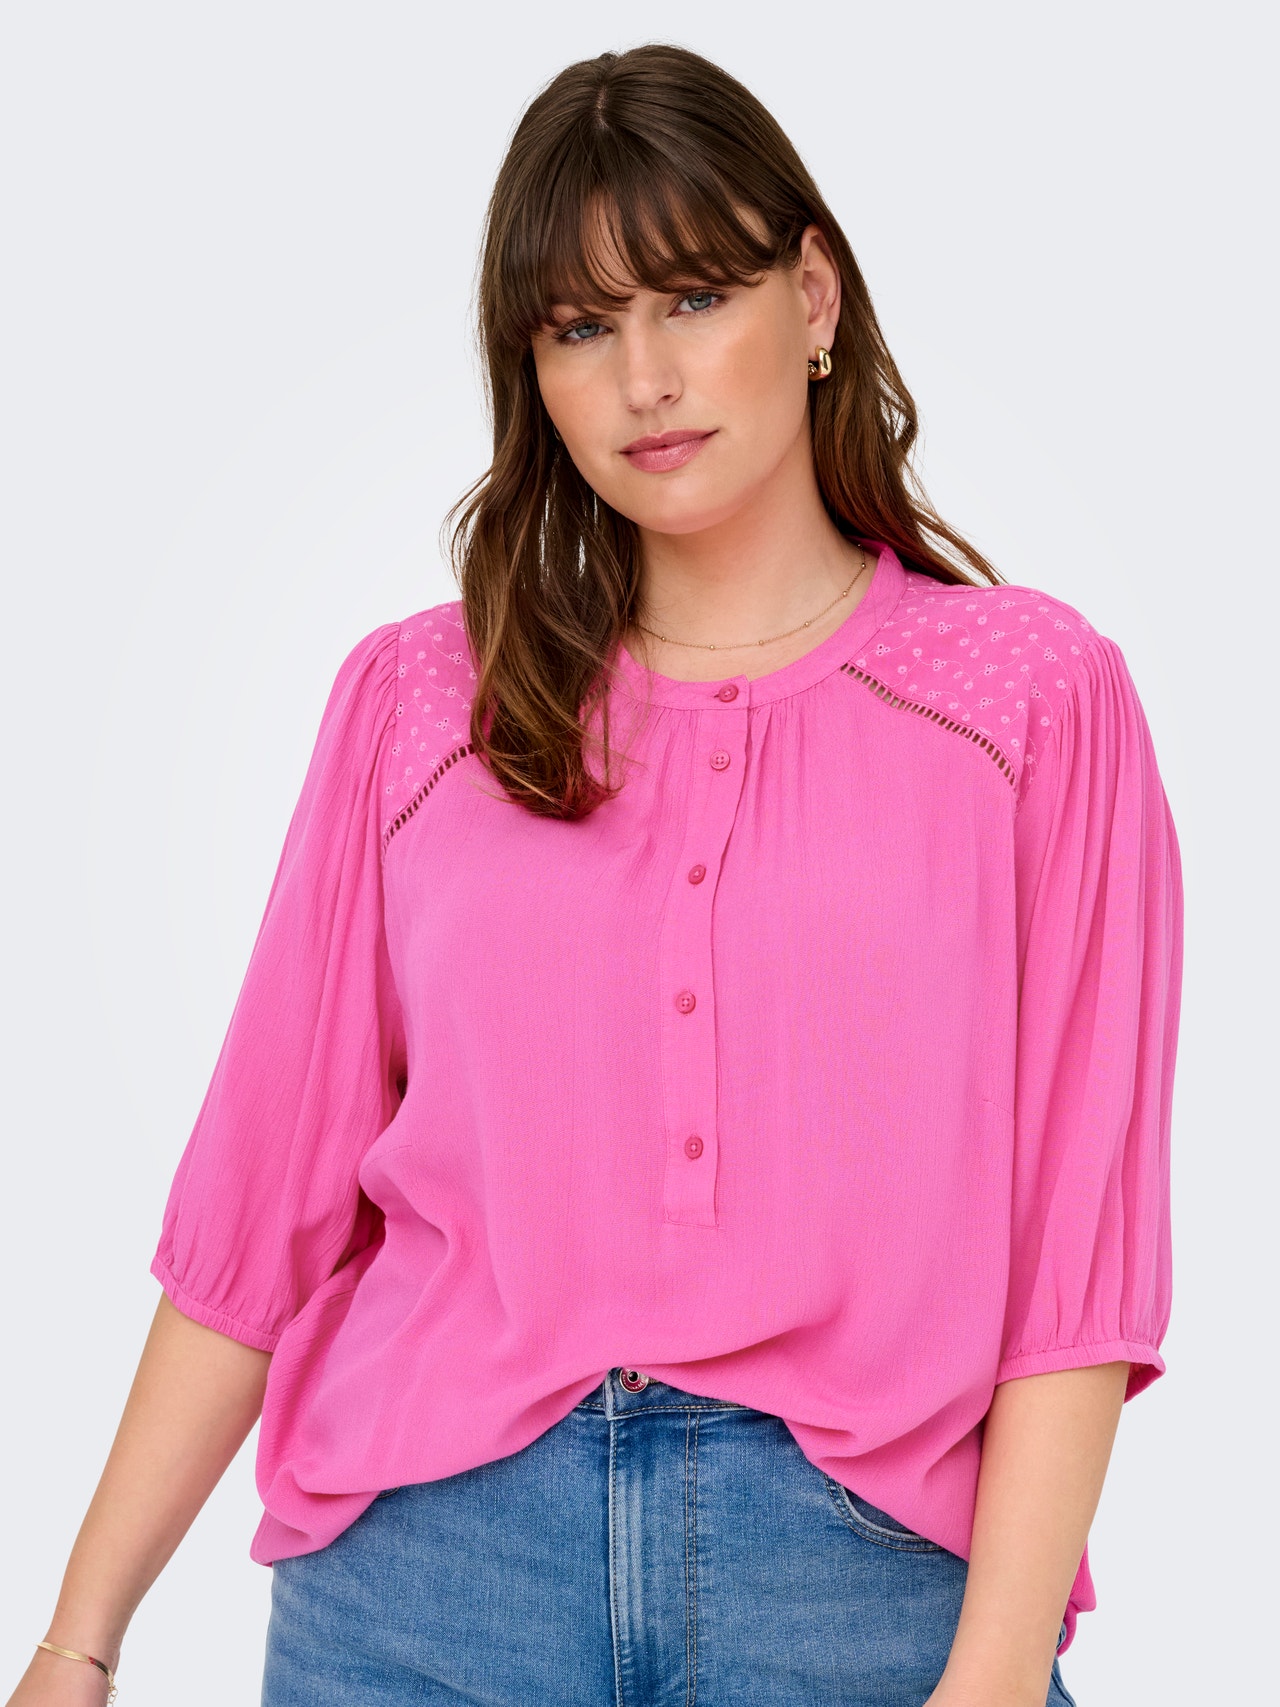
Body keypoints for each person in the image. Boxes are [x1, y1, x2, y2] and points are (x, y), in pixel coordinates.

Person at [10, 42, 1183, 1707]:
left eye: (694, 299)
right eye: (579, 328)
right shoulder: (421, 704)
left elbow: (1080, 1251)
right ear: (534, 376)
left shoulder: (1030, 700)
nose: (646, 378)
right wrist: (80, 1638)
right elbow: (261, 1203)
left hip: (860, 1600)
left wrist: (991, 1676)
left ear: (815, 296)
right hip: (430, 1590)